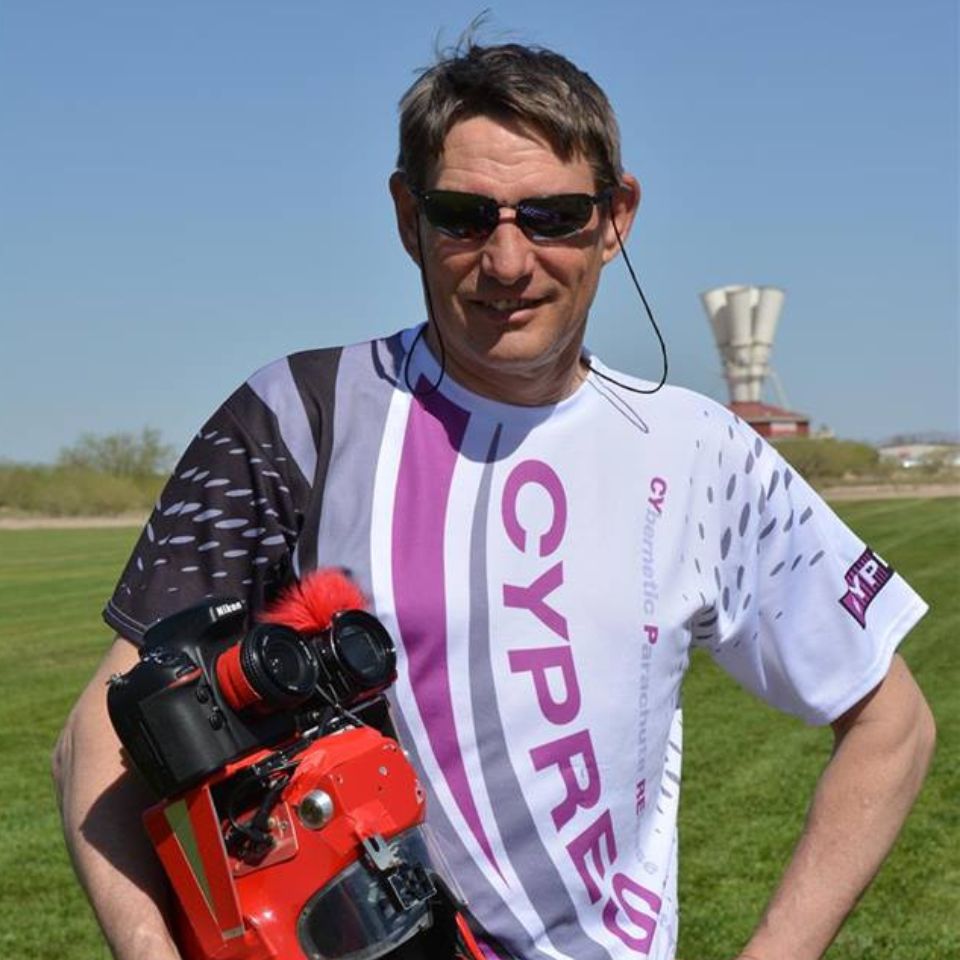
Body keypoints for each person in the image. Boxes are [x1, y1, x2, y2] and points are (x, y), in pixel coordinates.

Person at [53, 40, 935, 960]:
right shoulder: (295, 420)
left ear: (615, 217)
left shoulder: (700, 449)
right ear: (408, 216)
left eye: (553, 215)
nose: (509, 261)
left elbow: (892, 724)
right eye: (466, 217)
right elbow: (98, 737)